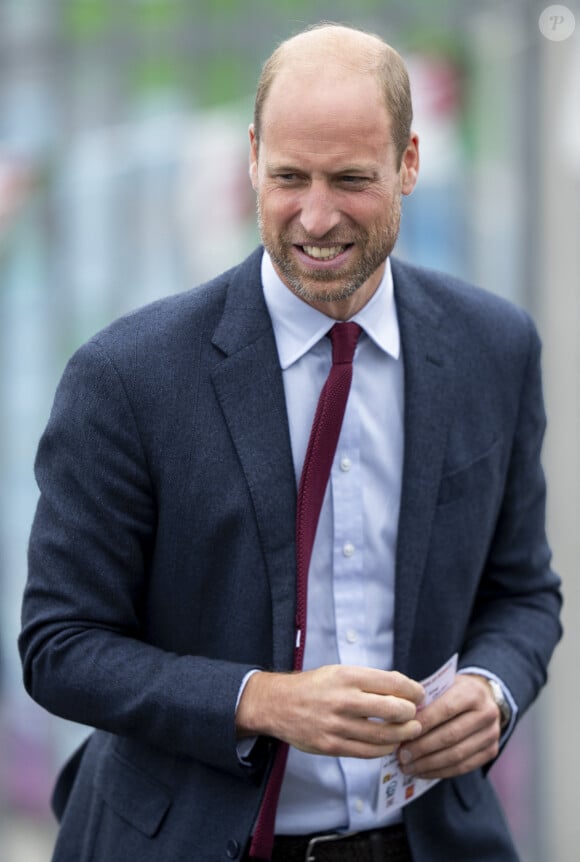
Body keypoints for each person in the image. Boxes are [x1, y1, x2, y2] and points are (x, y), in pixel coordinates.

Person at [19, 22, 562, 862]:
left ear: (409, 162)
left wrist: (494, 690)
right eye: (287, 178)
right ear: (250, 157)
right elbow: (61, 647)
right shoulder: (127, 376)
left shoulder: (496, 348)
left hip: (428, 843)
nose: (316, 217)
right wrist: (258, 700)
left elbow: (524, 593)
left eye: (351, 179)